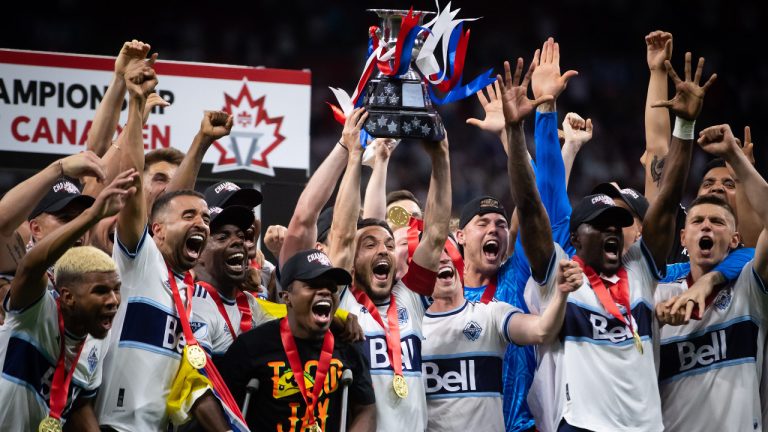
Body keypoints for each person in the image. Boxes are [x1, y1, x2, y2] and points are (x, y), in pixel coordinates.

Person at [501, 45, 716, 429]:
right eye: (600, 225)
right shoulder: (559, 276)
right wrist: (517, 131)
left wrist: (685, 128)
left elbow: (665, 204)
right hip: (582, 425)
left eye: (617, 222)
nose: (613, 229)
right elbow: (532, 208)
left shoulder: (641, 269)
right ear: (576, 238)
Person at [93, 54, 232, 431]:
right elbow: (134, 181)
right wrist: (136, 105)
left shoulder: (193, 289)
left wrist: (202, 144)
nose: (201, 223)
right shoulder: (140, 262)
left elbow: (178, 201)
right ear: (155, 231)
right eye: (189, 218)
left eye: (205, 218)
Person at [331, 107, 451, 431]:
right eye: (369, 245)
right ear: (353, 265)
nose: (383, 249)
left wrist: (441, 156)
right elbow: (341, 237)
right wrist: (354, 155)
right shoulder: (341, 299)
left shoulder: (409, 296)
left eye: (387, 244)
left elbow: (437, 233)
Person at [0, 170, 136, 431]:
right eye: (66, 219)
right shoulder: (34, 294)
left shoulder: (97, 321)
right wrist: (90, 214)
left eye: (80, 220)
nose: (80, 229)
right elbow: (29, 264)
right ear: (35, 229)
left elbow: (79, 401)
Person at [653, 124, 768, 431]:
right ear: (683, 237)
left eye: (717, 222)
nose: (706, 227)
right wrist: (652, 319)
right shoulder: (660, 296)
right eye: (698, 221)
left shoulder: (749, 289)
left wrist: (735, 156)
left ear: (734, 239)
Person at [423, 237, 583, 432]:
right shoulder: (412, 331)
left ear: (462, 265)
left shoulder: (491, 313)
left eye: (448, 251)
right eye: (433, 255)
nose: (443, 259)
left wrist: (561, 294)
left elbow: (542, 331)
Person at [220, 249, 377, 431]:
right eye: (313, 285)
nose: (325, 291)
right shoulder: (251, 346)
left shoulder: (348, 343)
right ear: (287, 297)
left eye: (331, 288)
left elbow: (366, 408)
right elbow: (223, 407)